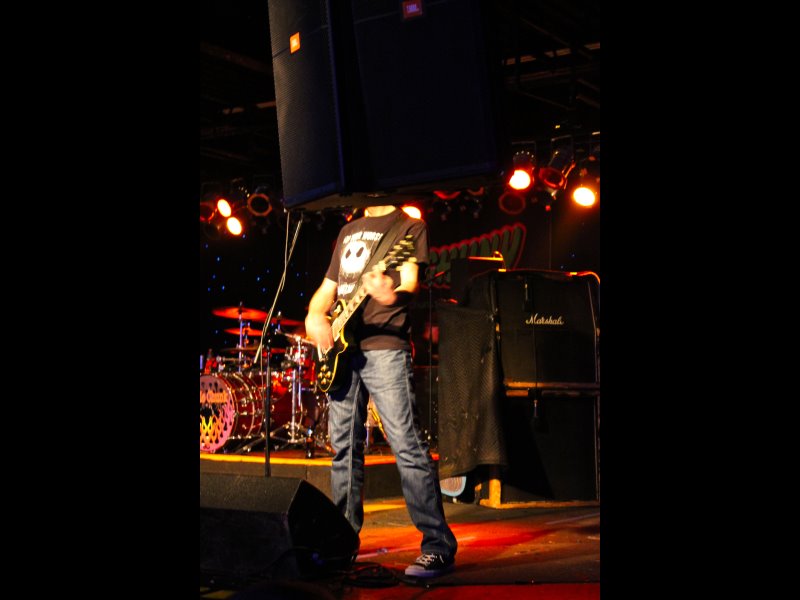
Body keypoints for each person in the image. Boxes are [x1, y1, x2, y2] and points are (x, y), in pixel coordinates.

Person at [304, 204, 457, 578]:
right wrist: (315, 315)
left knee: (407, 444)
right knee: (344, 449)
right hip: (343, 353)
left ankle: (437, 546)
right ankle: (342, 545)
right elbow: (327, 291)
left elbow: (409, 283)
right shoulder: (348, 230)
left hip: (385, 348)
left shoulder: (409, 226)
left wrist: (391, 295)